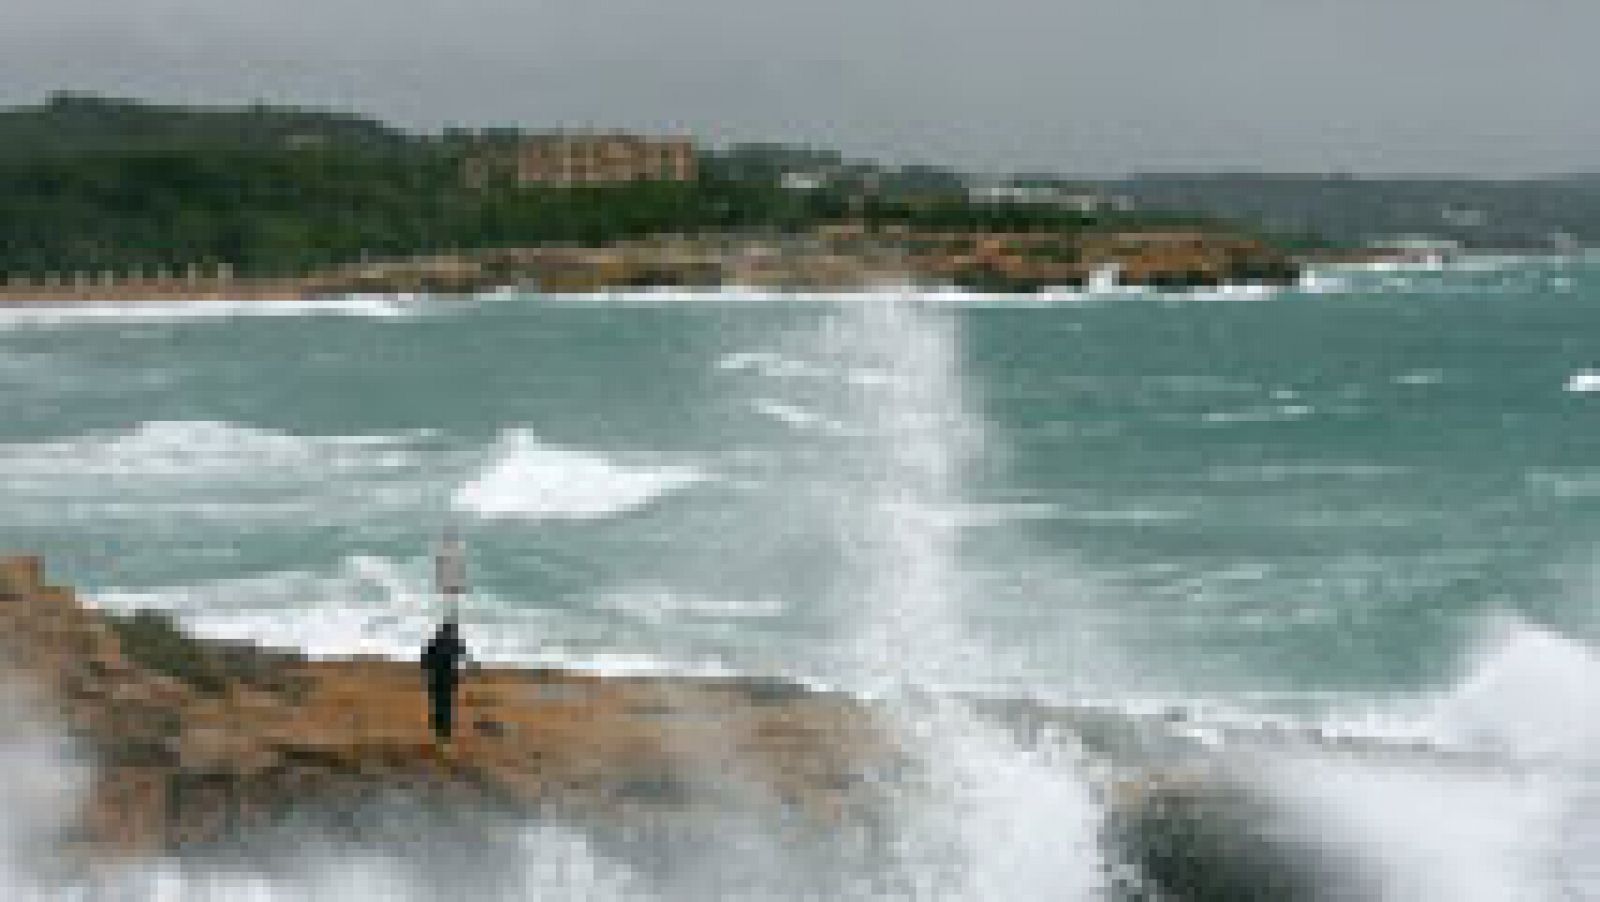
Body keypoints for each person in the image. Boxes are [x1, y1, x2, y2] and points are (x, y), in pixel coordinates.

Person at [420, 618, 470, 742]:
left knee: (438, 703)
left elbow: (426, 659)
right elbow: (461, 655)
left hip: (436, 676)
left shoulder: (436, 641)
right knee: (446, 703)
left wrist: (427, 673)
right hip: (448, 676)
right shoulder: (454, 642)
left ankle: (438, 730)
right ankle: (445, 731)